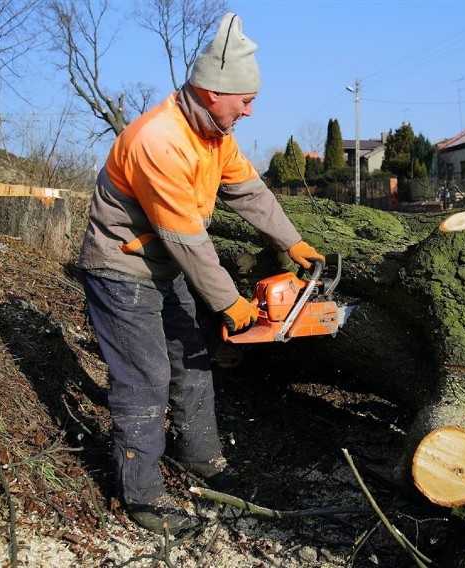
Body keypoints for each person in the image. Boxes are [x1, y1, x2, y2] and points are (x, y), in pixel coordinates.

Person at [77, 13, 324, 535]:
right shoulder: (159, 140)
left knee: (192, 361)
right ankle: (141, 493)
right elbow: (187, 239)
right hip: (121, 268)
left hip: (162, 268)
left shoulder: (216, 135)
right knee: (145, 378)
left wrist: (292, 240)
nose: (251, 110)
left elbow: (250, 193)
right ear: (214, 91)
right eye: (245, 100)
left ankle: (202, 458)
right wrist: (231, 303)